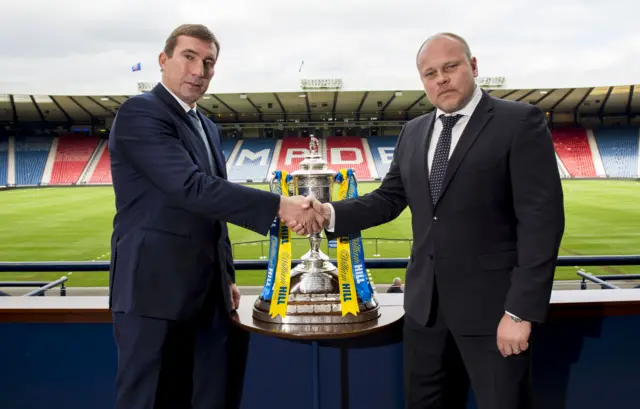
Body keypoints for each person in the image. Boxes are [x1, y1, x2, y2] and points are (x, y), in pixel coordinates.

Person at [291, 32, 565, 408]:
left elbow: (541, 223)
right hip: (425, 313)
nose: (441, 79)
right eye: (429, 73)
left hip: (494, 314)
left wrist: (520, 311)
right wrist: (329, 213)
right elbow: (389, 199)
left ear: (473, 66)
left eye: (450, 67)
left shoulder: (518, 122)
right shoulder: (414, 131)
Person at [108, 24, 321, 409]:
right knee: (153, 400)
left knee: (215, 398)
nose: (199, 70)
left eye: (208, 63)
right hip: (154, 296)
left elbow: (213, 215)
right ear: (163, 60)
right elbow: (191, 188)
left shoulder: (205, 125)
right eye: (189, 57)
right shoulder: (140, 112)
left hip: (209, 298)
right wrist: (280, 206)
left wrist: (226, 278)